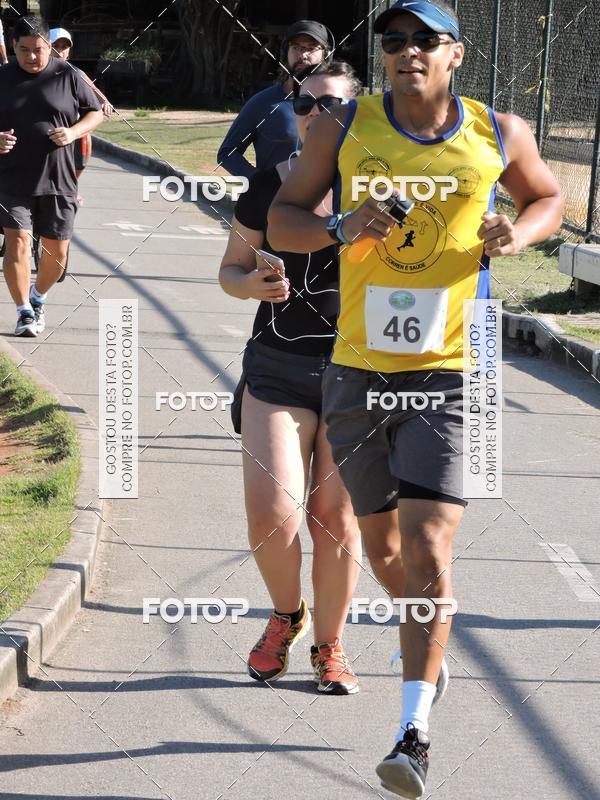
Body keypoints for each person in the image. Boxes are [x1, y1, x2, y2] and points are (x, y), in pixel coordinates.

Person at [268, 0, 563, 796]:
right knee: (385, 551)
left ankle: (412, 732)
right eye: (393, 42)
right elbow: (282, 220)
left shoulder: (497, 131)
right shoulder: (341, 128)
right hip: (356, 370)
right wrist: (338, 229)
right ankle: (428, 649)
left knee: (430, 549)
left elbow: (548, 199)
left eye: (423, 41)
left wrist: (521, 234)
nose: (406, 53)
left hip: (450, 370)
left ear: (455, 54)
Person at [219, 61, 364, 695]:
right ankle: (287, 614)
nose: (318, 114)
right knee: (271, 512)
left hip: (358, 370)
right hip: (276, 367)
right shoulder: (270, 183)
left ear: (358, 111)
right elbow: (229, 269)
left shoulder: (382, 187)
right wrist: (250, 282)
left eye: (333, 104)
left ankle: (330, 646)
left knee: (334, 516)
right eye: (306, 105)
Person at [0, 15, 103, 337]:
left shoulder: (69, 75)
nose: (32, 56)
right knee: (16, 242)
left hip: (59, 180)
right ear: (13, 47)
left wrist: (73, 133)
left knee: (56, 254)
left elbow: (95, 112)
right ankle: (23, 312)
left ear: (49, 46)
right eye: (23, 49)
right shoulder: (1, 76)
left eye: (38, 49)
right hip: (11, 180)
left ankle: (38, 296)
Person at [217, 19, 334, 179]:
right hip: (274, 203)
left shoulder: (338, 104)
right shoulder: (263, 103)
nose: (303, 55)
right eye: (296, 48)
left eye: (311, 48)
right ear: (285, 53)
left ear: (325, 55)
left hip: (325, 202)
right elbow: (227, 153)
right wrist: (261, 182)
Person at [50, 27, 113, 204]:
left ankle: (72, 186)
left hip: (72, 127)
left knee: (84, 143)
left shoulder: (76, 73)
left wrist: (105, 102)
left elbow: (94, 91)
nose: (60, 51)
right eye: (56, 45)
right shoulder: (35, 72)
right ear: (46, 46)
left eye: (64, 47)